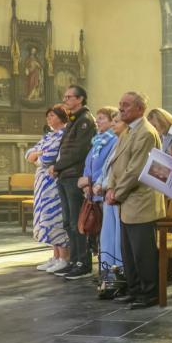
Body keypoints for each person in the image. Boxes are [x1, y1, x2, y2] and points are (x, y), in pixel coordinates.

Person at [104, 93, 166, 309]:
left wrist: (117, 193)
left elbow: (136, 169)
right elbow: (116, 162)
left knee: (143, 252)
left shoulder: (146, 133)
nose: (121, 109)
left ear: (140, 108)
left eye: (126, 105)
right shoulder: (127, 131)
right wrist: (110, 187)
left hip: (141, 200)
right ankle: (135, 289)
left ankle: (149, 294)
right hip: (126, 200)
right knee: (128, 252)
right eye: (120, 105)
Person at [51, 85, 97, 280]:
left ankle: (82, 263)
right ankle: (73, 260)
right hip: (64, 175)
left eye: (69, 97)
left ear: (80, 99)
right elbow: (65, 148)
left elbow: (78, 151)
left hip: (73, 175)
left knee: (79, 222)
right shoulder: (73, 120)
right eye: (65, 97)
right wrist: (58, 166)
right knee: (69, 222)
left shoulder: (85, 121)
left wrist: (57, 166)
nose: (66, 100)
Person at [79, 107, 121, 297]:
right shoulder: (97, 140)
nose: (98, 121)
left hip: (104, 191)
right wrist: (86, 181)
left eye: (102, 118)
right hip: (95, 190)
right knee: (100, 233)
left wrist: (92, 182)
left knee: (108, 233)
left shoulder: (113, 140)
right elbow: (90, 163)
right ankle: (105, 271)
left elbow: (107, 167)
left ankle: (112, 273)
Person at [30, 105, 70, 273]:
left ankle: (64, 258)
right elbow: (29, 153)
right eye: (48, 116)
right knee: (46, 219)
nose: (49, 118)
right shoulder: (49, 135)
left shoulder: (63, 135)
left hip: (53, 183)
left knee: (56, 219)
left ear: (61, 117)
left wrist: (39, 155)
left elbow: (48, 157)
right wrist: (39, 154)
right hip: (42, 183)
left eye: (52, 115)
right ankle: (55, 255)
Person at [93, 112, 128, 298]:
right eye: (113, 121)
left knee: (117, 239)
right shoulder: (117, 142)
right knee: (108, 237)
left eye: (117, 121)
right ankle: (109, 273)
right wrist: (99, 183)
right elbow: (107, 167)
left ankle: (119, 275)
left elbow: (123, 171)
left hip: (117, 196)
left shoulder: (124, 142)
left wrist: (106, 185)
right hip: (108, 195)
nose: (114, 125)